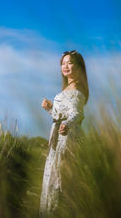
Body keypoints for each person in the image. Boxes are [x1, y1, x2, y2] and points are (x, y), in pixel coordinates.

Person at [39, 50, 89, 217]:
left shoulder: (78, 89)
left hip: (67, 140)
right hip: (57, 140)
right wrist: (50, 108)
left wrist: (67, 124)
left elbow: (76, 114)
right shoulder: (67, 88)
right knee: (53, 182)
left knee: (63, 183)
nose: (65, 66)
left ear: (78, 66)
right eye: (63, 63)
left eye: (70, 62)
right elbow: (59, 116)